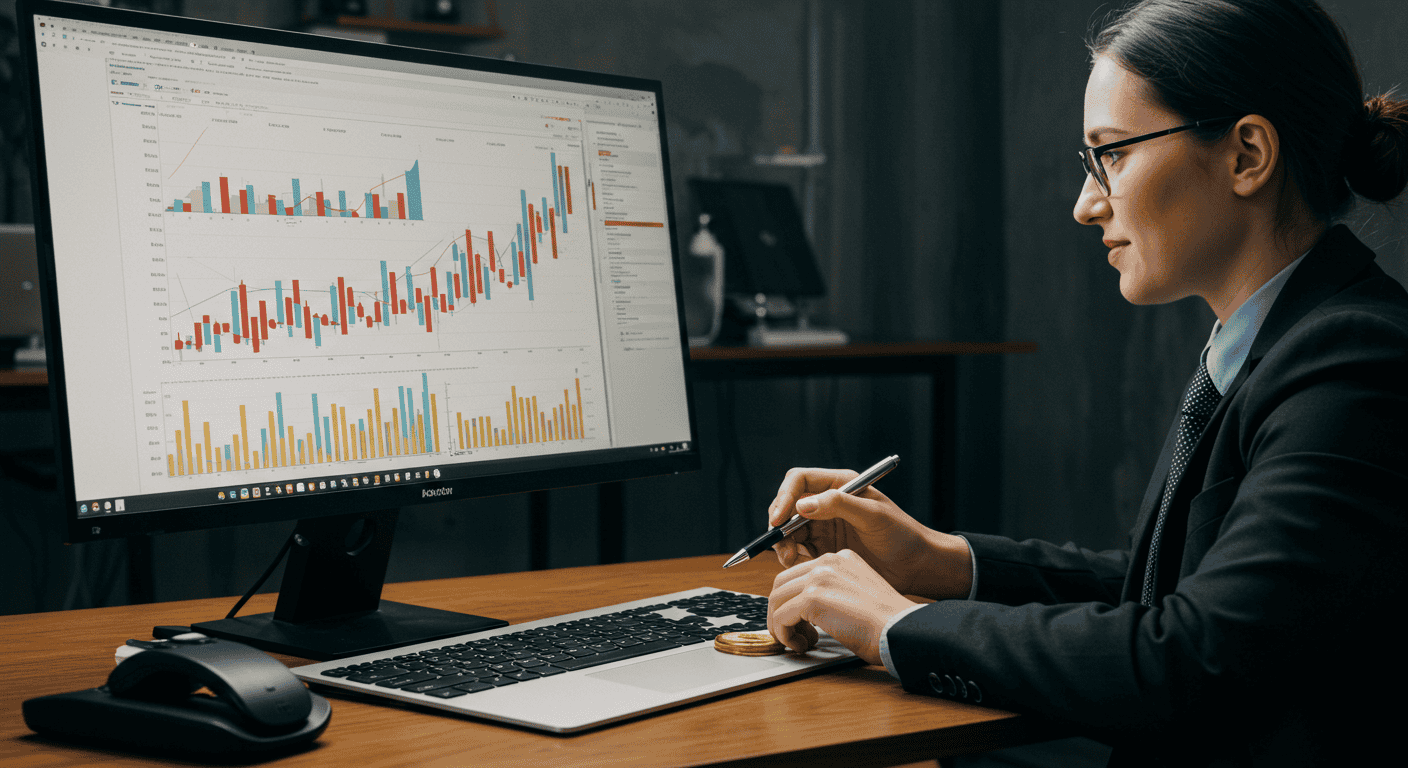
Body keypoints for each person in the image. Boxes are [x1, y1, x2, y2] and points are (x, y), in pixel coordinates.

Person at [762, 1, 1408, 765]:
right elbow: (1160, 594)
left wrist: (894, 625)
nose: (1085, 204)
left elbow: (1194, 657)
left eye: (1112, 155)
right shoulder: (1277, 341)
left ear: (1247, 155)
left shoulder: (1355, 359)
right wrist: (940, 561)